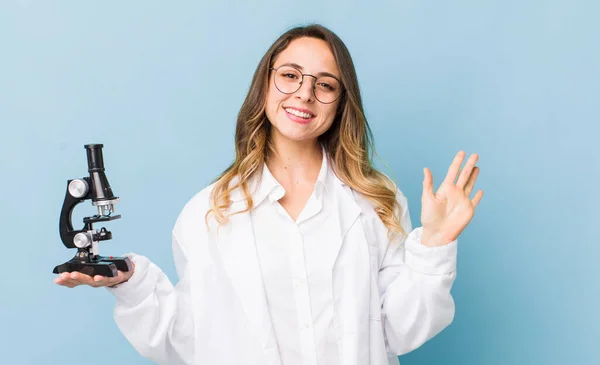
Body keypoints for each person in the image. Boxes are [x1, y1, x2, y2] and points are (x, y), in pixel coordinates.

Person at [54, 24, 483, 365]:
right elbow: (193, 338)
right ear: (265, 85)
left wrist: (434, 244)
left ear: (339, 103)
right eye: (290, 76)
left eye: (325, 84)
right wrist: (134, 285)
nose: (304, 93)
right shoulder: (209, 211)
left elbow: (398, 332)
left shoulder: (374, 201)